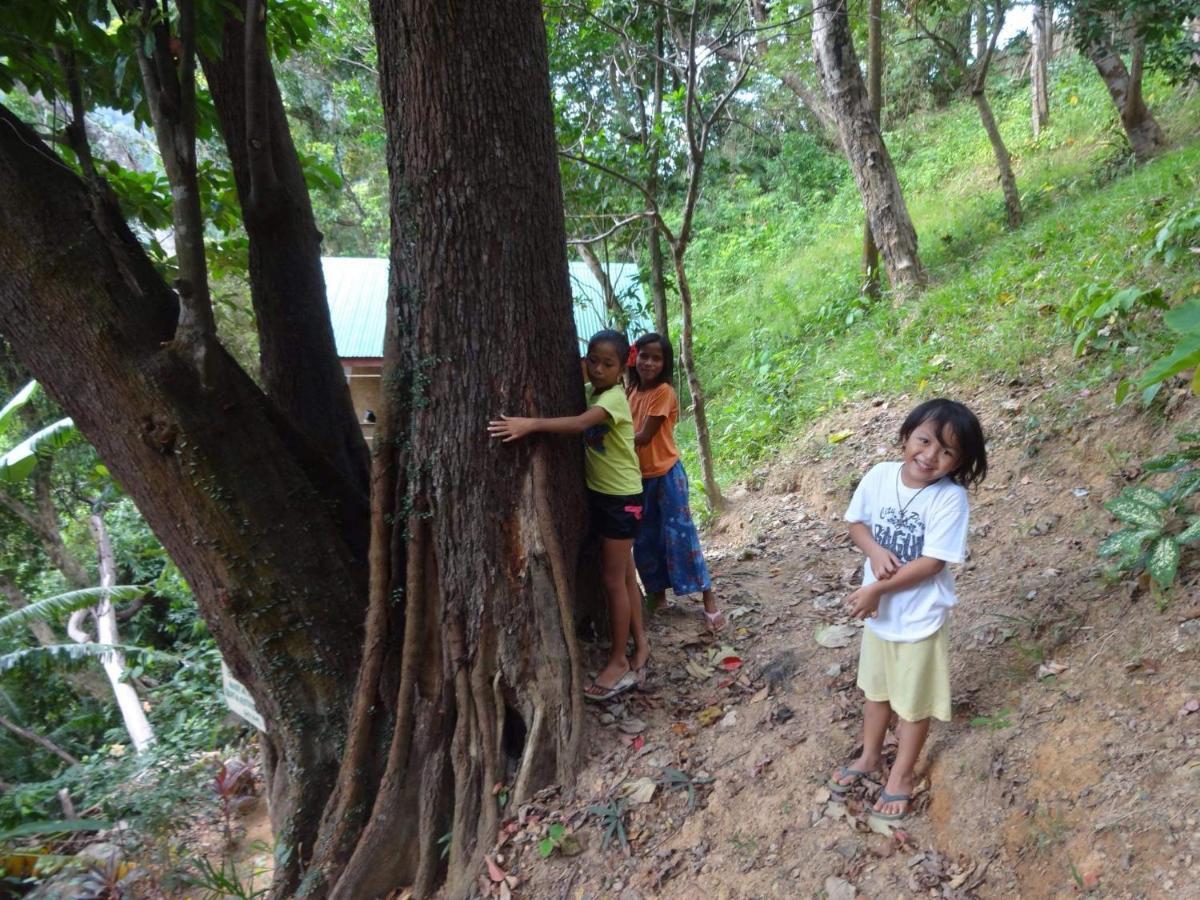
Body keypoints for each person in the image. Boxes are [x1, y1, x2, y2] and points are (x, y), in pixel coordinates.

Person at [827, 398, 987, 823]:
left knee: (913, 705)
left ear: (960, 462)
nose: (930, 455)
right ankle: (869, 757)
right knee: (876, 692)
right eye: (924, 440)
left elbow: (934, 561)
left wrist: (878, 588)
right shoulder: (880, 476)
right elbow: (856, 524)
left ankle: (900, 776)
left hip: (920, 619)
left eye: (948, 451)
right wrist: (875, 551)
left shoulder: (950, 500)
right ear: (906, 437)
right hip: (881, 619)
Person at [488, 330, 648, 701]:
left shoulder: (611, 399)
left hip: (622, 499)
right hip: (609, 496)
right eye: (593, 361)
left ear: (624, 365)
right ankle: (641, 646)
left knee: (612, 580)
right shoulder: (598, 388)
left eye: (608, 364)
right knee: (624, 575)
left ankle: (618, 661)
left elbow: (579, 425)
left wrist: (530, 424)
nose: (598, 369)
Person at [626, 332, 725, 632]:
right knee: (644, 540)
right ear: (634, 357)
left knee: (681, 537)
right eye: (644, 355)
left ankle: (709, 600)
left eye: (657, 358)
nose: (649, 363)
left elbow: (643, 437)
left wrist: (607, 441)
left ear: (665, 363)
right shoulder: (630, 391)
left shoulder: (664, 392)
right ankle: (658, 598)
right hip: (638, 479)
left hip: (667, 476)